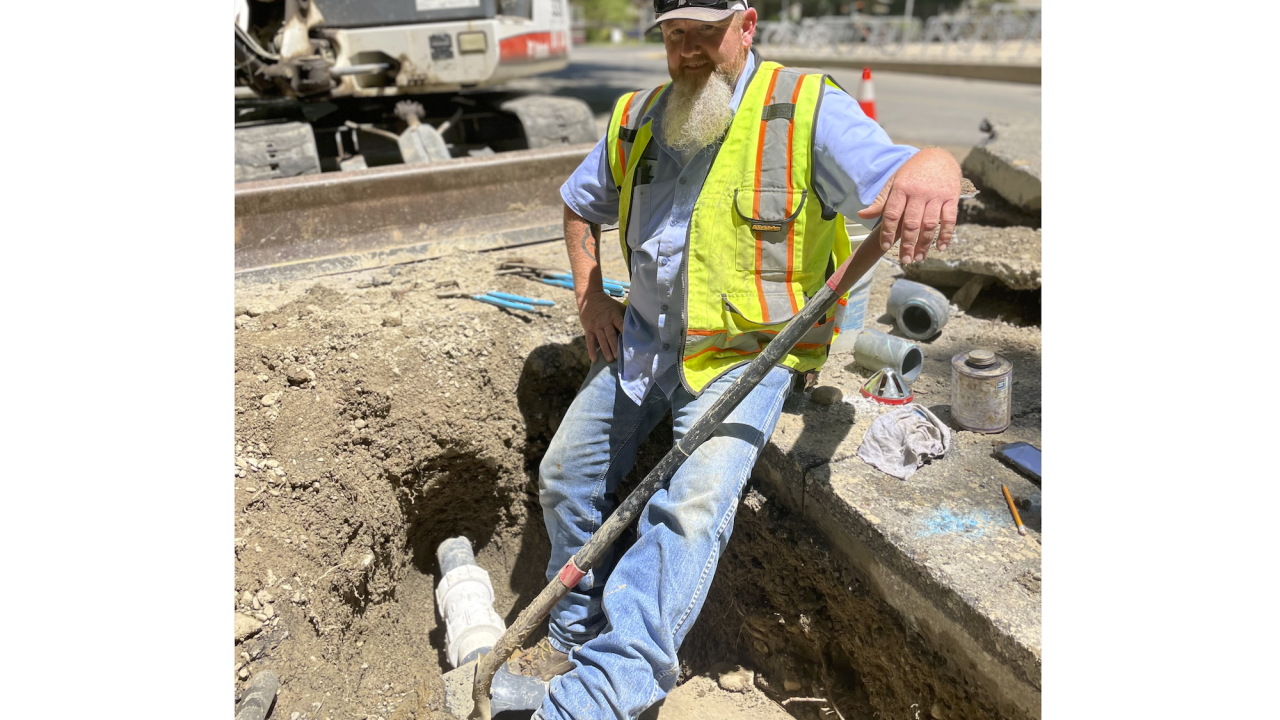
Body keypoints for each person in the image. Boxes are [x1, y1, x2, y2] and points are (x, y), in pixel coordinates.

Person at [516, 1, 962, 717]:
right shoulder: (637, 117)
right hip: (646, 340)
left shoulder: (805, 108)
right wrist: (590, 297)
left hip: (746, 357)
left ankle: (599, 695)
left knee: (689, 510)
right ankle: (577, 633)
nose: (688, 51)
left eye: (706, 33)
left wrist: (938, 163)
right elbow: (578, 204)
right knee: (566, 476)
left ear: (747, 26)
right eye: (674, 35)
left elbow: (907, 170)